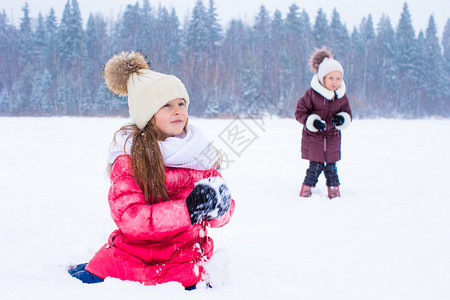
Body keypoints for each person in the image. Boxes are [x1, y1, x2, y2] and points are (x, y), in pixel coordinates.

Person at [68, 51, 235, 290]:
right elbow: (130, 218)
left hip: (187, 255)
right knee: (94, 277)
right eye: (166, 106)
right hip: (138, 257)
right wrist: (187, 210)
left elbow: (221, 213)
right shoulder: (132, 158)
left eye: (181, 104)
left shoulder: (198, 152)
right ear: (148, 115)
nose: (178, 111)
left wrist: (220, 208)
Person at [294, 47, 352, 199]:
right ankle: (306, 189)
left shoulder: (341, 96)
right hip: (314, 139)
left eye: (338, 78)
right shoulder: (312, 94)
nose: (335, 82)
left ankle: (334, 189)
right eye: (331, 78)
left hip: (332, 138)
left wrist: (342, 119)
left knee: (331, 167)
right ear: (322, 78)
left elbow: (348, 114)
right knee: (315, 166)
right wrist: (312, 122)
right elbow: (300, 113)